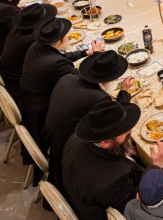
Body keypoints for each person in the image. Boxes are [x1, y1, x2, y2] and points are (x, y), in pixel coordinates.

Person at [62, 99, 163, 220]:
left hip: (82, 193)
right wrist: (157, 167)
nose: (130, 131)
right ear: (105, 142)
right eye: (124, 131)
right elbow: (143, 201)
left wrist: (122, 151)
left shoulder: (75, 139)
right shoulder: (113, 181)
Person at [44, 50, 133, 191]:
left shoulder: (67, 78)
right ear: (110, 79)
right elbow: (115, 118)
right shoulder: (98, 97)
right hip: (73, 152)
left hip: (53, 141)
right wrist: (124, 91)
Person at [20, 17, 104, 153]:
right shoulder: (55, 64)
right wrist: (97, 57)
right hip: (45, 115)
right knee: (97, 99)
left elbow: (60, 56)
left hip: (30, 103)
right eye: (66, 36)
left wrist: (86, 52)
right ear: (61, 40)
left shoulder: (37, 47)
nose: (68, 38)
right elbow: (85, 79)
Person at [0, 3, 56, 101]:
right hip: (20, 83)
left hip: (9, 75)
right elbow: (52, 58)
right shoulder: (32, 39)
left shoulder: (17, 30)